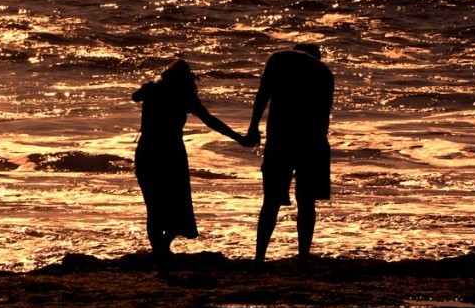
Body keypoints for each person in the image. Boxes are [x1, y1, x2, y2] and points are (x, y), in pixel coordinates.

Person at [133, 59, 248, 266]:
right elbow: (211, 121)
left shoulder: (152, 90)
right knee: (178, 203)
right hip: (171, 153)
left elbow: (135, 97)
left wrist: (152, 86)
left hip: (148, 150)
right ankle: (163, 249)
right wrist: (238, 137)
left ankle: (160, 251)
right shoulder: (185, 97)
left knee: (154, 205)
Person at [245, 43, 334, 269]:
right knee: (306, 202)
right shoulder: (324, 72)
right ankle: (303, 256)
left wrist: (253, 127)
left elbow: (263, 94)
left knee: (271, 202)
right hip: (312, 142)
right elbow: (324, 118)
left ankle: (259, 258)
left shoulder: (279, 59)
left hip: (280, 139)